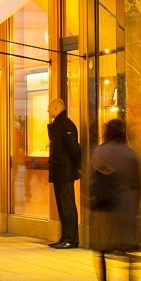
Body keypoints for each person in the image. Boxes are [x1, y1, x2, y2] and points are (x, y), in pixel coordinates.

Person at [90, 118, 141, 281]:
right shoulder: (131, 154)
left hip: (106, 208)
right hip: (127, 207)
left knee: (102, 250)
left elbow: (94, 181)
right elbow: (138, 182)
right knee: (129, 251)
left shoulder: (100, 152)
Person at [47, 98, 83, 249]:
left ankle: (71, 238)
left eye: (50, 108)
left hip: (65, 170)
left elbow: (74, 149)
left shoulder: (66, 125)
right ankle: (65, 236)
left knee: (67, 205)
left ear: (56, 109)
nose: (48, 111)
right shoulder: (60, 125)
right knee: (62, 205)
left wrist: (75, 168)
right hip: (60, 169)